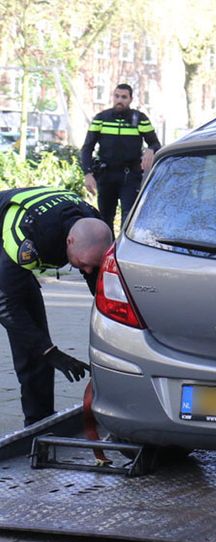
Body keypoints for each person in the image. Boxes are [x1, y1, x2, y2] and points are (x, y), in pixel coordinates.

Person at [0, 187, 113, 426]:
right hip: (8, 250)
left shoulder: (92, 224)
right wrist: (50, 351)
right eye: (83, 264)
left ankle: (38, 424)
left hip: (17, 254)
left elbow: (99, 284)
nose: (87, 271)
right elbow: (6, 305)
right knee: (34, 340)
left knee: (36, 344)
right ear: (69, 241)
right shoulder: (29, 239)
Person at [80, 83, 161, 230]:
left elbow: (155, 144)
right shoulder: (101, 119)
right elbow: (87, 148)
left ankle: (124, 252)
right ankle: (107, 252)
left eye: (124, 97)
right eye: (117, 96)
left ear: (130, 99)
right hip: (106, 175)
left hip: (129, 176)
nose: (120, 100)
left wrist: (151, 149)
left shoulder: (140, 119)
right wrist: (87, 173)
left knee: (129, 218)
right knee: (105, 218)